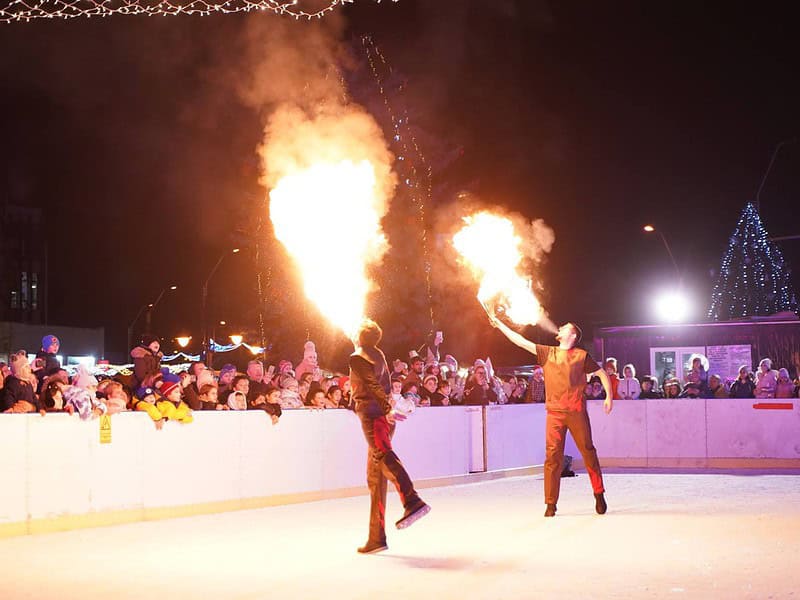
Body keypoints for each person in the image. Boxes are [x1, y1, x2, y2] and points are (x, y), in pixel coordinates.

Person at [490, 316, 612, 517]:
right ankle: (550, 503)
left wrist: (609, 396)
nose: (561, 327)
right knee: (552, 458)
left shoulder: (581, 356)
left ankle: (598, 493)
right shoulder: (548, 353)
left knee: (588, 452)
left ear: (572, 335)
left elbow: (601, 374)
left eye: (565, 327)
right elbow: (520, 341)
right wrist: (500, 324)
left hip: (576, 413)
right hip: (554, 414)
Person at [350, 319, 429, 554]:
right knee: (374, 477)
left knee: (384, 456)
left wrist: (386, 409)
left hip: (374, 416)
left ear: (360, 336)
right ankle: (376, 537)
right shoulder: (376, 353)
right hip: (381, 416)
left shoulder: (358, 357)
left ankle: (412, 500)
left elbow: (373, 385)